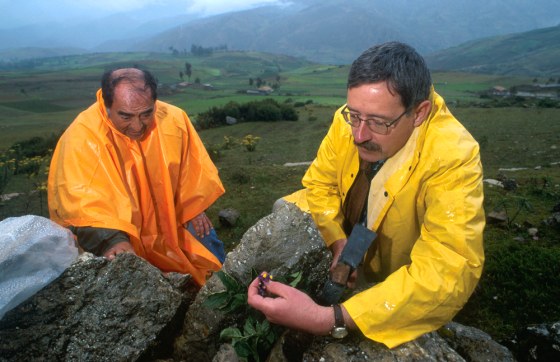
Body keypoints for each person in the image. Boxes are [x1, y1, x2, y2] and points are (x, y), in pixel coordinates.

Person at [248, 42, 485, 348]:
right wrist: (337, 240)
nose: (359, 135)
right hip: (353, 229)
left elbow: (450, 266)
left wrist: (328, 318)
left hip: (396, 264)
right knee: (285, 208)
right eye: (354, 116)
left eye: (378, 122)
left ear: (419, 113)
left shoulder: (454, 157)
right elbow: (319, 184)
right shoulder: (347, 120)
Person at [48, 68, 225, 286]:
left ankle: (229, 293)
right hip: (119, 232)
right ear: (106, 105)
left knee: (212, 256)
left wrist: (194, 207)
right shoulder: (81, 138)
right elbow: (81, 205)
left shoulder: (174, 119)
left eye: (146, 114)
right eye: (126, 116)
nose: (138, 126)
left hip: (172, 220)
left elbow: (191, 170)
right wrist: (112, 241)